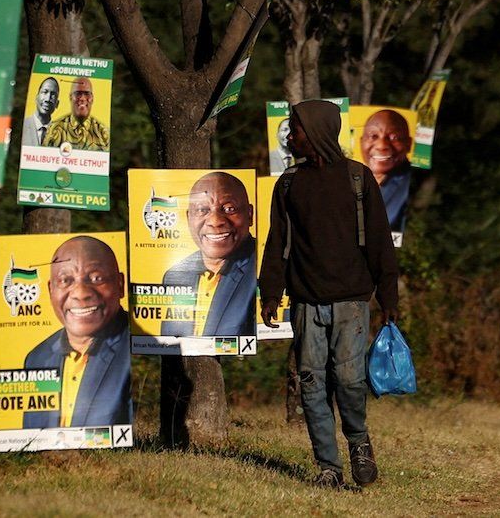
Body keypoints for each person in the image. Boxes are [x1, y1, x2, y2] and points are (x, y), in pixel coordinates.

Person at [260, 99, 399, 489]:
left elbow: (379, 243)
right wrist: (271, 293)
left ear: (318, 131)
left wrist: (389, 301)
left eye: (296, 129)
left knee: (350, 380)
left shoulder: (358, 179)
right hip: (305, 301)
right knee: (311, 383)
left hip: (352, 301)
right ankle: (328, 467)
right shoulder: (287, 184)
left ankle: (358, 443)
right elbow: (277, 243)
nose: (290, 135)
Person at [22, 236, 131, 430]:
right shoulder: (36, 359)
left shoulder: (136, 350)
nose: (80, 293)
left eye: (96, 278)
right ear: (50, 290)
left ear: (120, 284)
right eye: (65, 280)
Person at [160, 172, 257, 337]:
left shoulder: (263, 266)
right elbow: (171, 345)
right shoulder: (174, 276)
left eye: (229, 208)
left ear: (249, 214)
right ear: (188, 218)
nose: (215, 220)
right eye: (202, 209)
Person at [359, 109, 412, 231]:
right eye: (373, 136)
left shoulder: (409, 185)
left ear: (408, 144)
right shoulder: (351, 180)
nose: (381, 145)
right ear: (361, 142)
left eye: (394, 137)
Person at [42, 78, 109, 151]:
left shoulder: (103, 133)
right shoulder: (54, 129)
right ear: (70, 97)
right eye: (78, 93)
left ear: (92, 98)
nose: (82, 98)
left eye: (87, 94)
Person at [21, 78, 60, 147]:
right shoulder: (21, 126)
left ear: (57, 103)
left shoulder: (61, 134)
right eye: (45, 92)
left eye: (53, 94)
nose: (48, 99)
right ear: (36, 97)